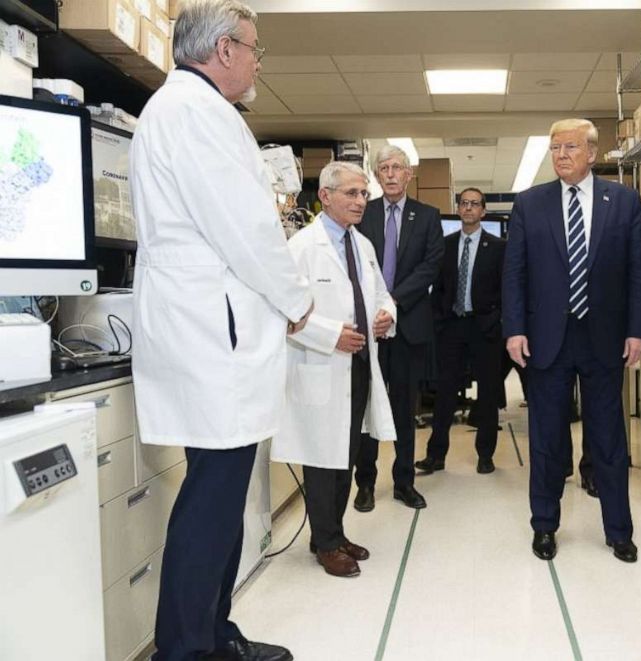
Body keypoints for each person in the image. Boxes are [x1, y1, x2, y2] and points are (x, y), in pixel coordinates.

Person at [129, 2, 313, 659]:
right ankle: (189, 648)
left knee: (219, 494)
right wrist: (297, 300)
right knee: (212, 501)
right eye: (255, 47)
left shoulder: (189, 112)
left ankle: (211, 633)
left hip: (210, 335)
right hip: (214, 339)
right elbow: (248, 229)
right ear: (223, 49)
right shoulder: (195, 114)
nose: (259, 60)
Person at [503, 118, 641, 563]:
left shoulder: (623, 202)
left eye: (570, 147)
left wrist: (637, 329)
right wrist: (514, 329)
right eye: (554, 148)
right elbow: (516, 272)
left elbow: (638, 271)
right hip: (547, 338)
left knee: (608, 439)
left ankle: (618, 530)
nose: (561, 155)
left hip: (603, 337)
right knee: (547, 437)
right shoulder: (531, 204)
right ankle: (544, 526)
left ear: (591, 152)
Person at [272, 162, 397, 578]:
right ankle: (324, 542)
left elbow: (382, 293)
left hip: (358, 364)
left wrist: (386, 316)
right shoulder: (302, 248)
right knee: (322, 459)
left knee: (346, 454)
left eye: (364, 194)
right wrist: (330, 336)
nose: (361, 201)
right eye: (352, 193)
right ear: (325, 196)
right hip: (321, 365)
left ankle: (335, 533)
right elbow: (286, 311)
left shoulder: (361, 245)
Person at [354, 145, 444, 512]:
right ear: (376, 176)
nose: (390, 174)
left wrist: (390, 302)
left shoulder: (427, 216)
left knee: (405, 410)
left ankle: (403, 481)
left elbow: (430, 266)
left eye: (397, 168)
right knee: (367, 409)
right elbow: (356, 264)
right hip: (370, 328)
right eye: (384, 168)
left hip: (407, 326)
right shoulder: (363, 214)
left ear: (410, 175)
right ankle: (365, 483)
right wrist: (375, 306)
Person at [415, 188, 506, 475]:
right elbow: (437, 289)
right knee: (444, 393)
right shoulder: (445, 245)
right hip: (451, 326)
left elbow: (506, 290)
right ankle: (436, 455)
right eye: (464, 203)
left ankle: (485, 455)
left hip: (484, 328)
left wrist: (497, 320)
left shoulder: (499, 247)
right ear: (458, 208)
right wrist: (437, 320)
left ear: (483, 211)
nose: (468, 208)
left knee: (489, 393)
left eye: (474, 204)